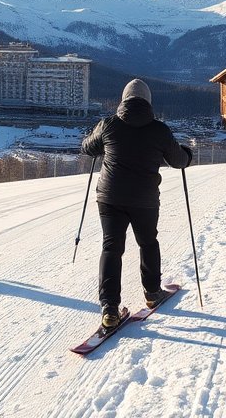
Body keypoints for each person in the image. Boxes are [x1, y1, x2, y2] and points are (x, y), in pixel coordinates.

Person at [81, 78, 191, 331]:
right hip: (144, 199)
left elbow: (88, 148)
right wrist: (188, 154)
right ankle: (152, 292)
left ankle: (109, 309)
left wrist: (92, 137)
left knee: (111, 247)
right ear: (148, 102)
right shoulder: (159, 130)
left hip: (109, 197)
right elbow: (179, 161)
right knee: (148, 242)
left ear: (123, 100)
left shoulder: (108, 125)